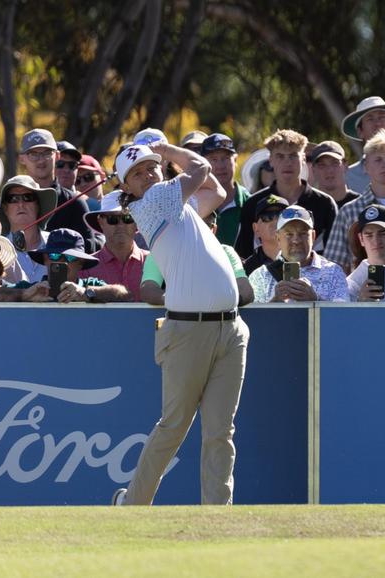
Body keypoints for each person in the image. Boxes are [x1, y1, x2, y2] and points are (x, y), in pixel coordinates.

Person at [110, 140, 249, 507]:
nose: (147, 174)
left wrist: (162, 156)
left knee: (221, 432)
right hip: (187, 332)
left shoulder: (179, 208)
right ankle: (133, 504)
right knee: (174, 427)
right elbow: (203, 169)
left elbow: (216, 190)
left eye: (150, 167)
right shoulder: (153, 204)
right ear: (127, 188)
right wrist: (166, 147)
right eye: (136, 173)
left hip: (230, 330)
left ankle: (217, 516)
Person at [235, 129, 337, 259]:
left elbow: (335, 257)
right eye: (280, 156)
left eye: (293, 156)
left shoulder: (325, 203)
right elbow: (243, 254)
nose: (287, 163)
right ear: (271, 160)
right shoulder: (253, 204)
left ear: (303, 159)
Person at [0, 228, 128, 303]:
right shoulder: (33, 289)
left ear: (80, 263)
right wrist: (23, 295)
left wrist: (85, 293)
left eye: (69, 257)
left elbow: (123, 294)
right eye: (54, 256)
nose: (61, 261)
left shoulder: (90, 286)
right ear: (45, 260)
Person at [323, 131, 385, 273]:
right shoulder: (349, 211)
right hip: (359, 288)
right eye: (378, 160)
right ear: (366, 167)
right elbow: (334, 265)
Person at [141, 210, 253, 306]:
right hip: (179, 324)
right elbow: (148, 290)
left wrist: (215, 303)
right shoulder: (160, 251)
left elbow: (246, 291)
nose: (198, 231)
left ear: (213, 229)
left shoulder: (226, 252)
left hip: (222, 324)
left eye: (204, 225)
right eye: (193, 225)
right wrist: (184, 302)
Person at [249, 205, 349, 302]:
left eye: (303, 234)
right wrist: (275, 302)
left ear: (313, 236)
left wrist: (315, 300)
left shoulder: (333, 273)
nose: (296, 240)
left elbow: (343, 316)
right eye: (289, 234)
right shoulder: (260, 276)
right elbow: (251, 318)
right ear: (278, 238)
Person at [18, 128, 97, 250]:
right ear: (22, 159)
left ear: (57, 156)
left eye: (46, 153)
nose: (41, 160)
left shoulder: (75, 204)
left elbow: (87, 251)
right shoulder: (12, 201)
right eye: (33, 154)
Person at [82, 192, 149, 300]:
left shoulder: (156, 262)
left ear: (137, 221)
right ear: (100, 222)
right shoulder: (85, 267)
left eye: (128, 218)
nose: (121, 225)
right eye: (112, 219)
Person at [0, 175, 57, 283]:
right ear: (5, 208)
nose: (21, 204)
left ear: (38, 205)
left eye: (28, 197)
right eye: (13, 199)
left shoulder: (56, 243)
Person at [200, 133, 250, 246]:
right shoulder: (195, 201)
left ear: (235, 160)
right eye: (213, 159)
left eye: (225, 158)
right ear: (204, 163)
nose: (220, 165)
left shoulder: (250, 203)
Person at [242, 193, 288, 275]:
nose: (275, 220)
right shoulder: (245, 269)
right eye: (267, 216)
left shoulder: (304, 260)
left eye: (281, 215)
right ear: (256, 228)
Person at [307, 141, 359, 209]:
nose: (329, 170)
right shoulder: (306, 208)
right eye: (322, 165)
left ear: (345, 166)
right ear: (313, 170)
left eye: (335, 164)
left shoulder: (360, 205)